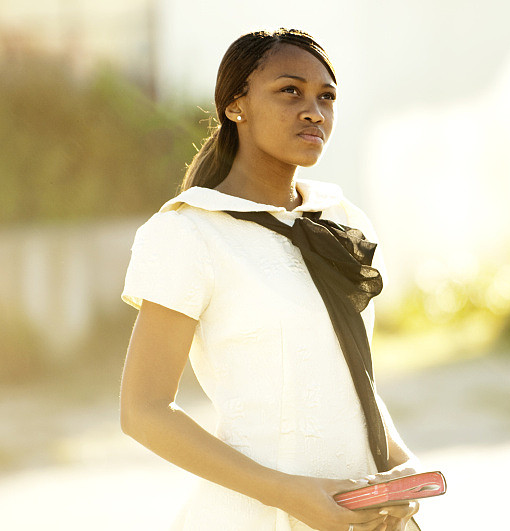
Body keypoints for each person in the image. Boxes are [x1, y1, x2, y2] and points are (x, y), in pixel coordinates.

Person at [119, 29, 422, 531]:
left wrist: (401, 467)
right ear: (236, 105)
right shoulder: (190, 232)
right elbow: (143, 411)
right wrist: (289, 495)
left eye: (326, 97)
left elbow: (348, 379)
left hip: (361, 515)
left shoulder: (341, 218)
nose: (314, 111)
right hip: (254, 518)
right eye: (290, 91)